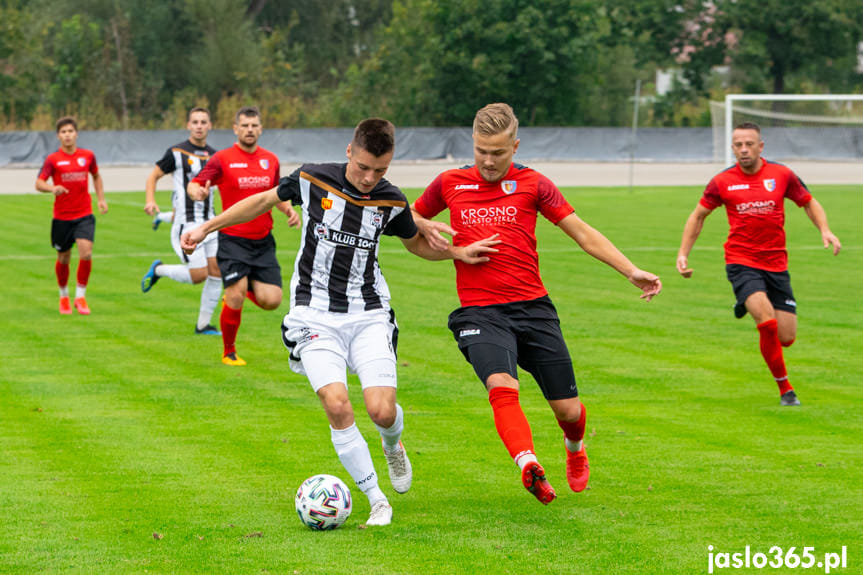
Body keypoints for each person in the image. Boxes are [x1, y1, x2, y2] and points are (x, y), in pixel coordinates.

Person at [181, 118, 498, 526]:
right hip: (313, 314)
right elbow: (261, 201)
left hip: (368, 314)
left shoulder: (390, 199)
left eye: (380, 170)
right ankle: (376, 498)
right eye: (364, 167)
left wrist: (456, 253)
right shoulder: (314, 178)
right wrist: (207, 226)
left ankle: (392, 444)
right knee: (336, 402)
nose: (370, 178)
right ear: (349, 151)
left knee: (381, 411)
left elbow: (416, 242)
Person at [411, 103, 662, 505]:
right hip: (479, 311)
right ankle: (528, 463)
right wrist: (454, 252)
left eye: (498, 152)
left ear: (515, 145)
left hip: (533, 308)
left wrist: (630, 271)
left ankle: (575, 448)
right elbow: (409, 227)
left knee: (568, 410)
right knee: (500, 384)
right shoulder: (449, 183)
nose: (488, 161)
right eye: (481, 151)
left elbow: (582, 232)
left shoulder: (534, 184)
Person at [677, 121, 841, 407]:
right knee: (766, 323)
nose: (743, 149)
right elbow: (698, 215)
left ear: (760, 146)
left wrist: (825, 230)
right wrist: (683, 253)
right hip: (741, 261)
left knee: (786, 337)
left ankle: (746, 302)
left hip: (777, 263)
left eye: (749, 144)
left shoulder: (782, 174)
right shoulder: (722, 181)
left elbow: (808, 202)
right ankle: (786, 390)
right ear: (732, 148)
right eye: (738, 144)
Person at [185, 106, 299, 365]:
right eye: (244, 125)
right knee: (235, 296)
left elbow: (274, 193)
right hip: (233, 239)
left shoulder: (270, 159)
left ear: (260, 128)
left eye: (254, 125)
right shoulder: (222, 159)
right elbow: (195, 184)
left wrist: (287, 210)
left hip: (263, 241)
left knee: (272, 300)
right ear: (235, 129)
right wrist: (198, 193)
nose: (249, 130)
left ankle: (238, 288)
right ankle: (229, 352)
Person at [140, 107, 223, 335]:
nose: (198, 125)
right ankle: (159, 270)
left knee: (216, 271)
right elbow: (153, 176)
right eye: (194, 121)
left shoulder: (216, 156)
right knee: (198, 275)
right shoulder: (176, 152)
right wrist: (150, 200)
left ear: (209, 125)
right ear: (188, 125)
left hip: (211, 222)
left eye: (203, 121)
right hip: (187, 223)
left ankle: (203, 325)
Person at [35, 116, 107, 315]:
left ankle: (80, 297)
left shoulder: (88, 156)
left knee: (86, 253)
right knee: (64, 257)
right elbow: (38, 183)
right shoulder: (52, 159)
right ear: (58, 136)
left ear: (76, 134)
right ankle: (64, 296)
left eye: (70, 131)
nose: (67, 135)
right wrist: (52, 188)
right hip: (62, 217)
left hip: (84, 214)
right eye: (63, 132)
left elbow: (96, 175)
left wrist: (101, 199)